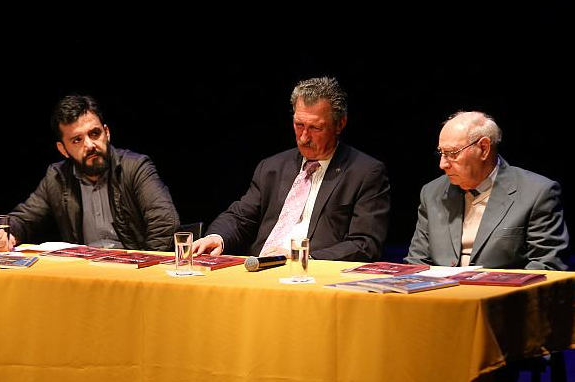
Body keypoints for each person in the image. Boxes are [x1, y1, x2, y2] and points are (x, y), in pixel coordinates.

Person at [192, 76, 390, 261]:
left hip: (313, 274)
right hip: (260, 269)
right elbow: (241, 216)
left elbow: (365, 244)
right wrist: (217, 237)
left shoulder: (365, 173)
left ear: (340, 125)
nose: (304, 137)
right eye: (299, 125)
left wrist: (300, 256)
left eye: (315, 128)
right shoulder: (271, 168)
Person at [0, 94, 180, 252]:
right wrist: (5, 233)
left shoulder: (135, 167)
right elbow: (23, 218)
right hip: (86, 275)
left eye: (95, 133)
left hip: (132, 272)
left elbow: (164, 223)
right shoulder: (57, 177)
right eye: (77, 140)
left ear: (107, 133)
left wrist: (142, 269)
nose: (89, 145)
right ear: (63, 149)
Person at [405, 110, 569, 270]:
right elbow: (416, 262)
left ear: (483, 148)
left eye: (452, 153)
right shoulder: (432, 193)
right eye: (441, 153)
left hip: (503, 289)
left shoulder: (537, 192)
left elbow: (546, 267)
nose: (442, 164)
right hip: (440, 288)